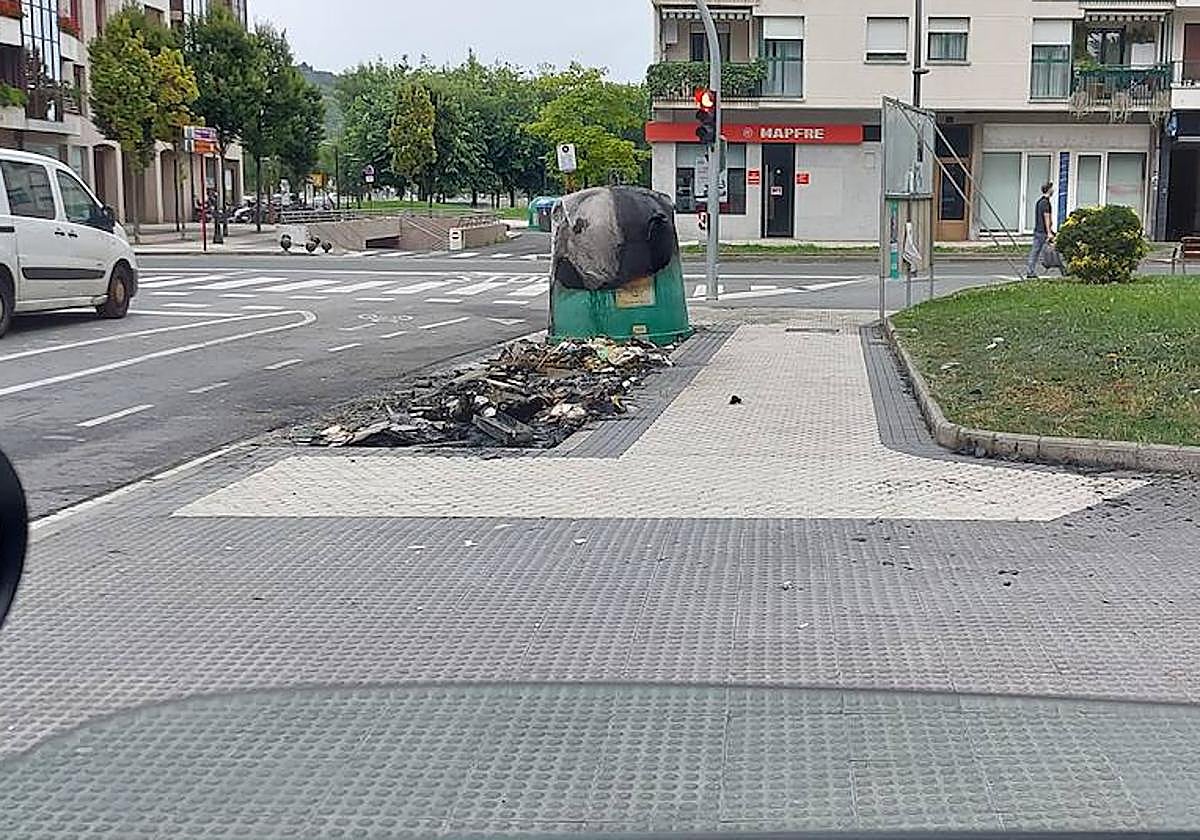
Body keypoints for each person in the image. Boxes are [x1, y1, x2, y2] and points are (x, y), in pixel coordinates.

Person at [1026, 181, 1055, 278]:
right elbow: (1046, 217)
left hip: (1038, 230)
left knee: (1035, 251)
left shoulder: (1039, 202)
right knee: (1050, 251)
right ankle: (1061, 269)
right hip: (1043, 232)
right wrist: (1049, 232)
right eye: (1052, 188)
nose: (1053, 190)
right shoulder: (1046, 203)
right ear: (1049, 190)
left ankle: (1030, 271)